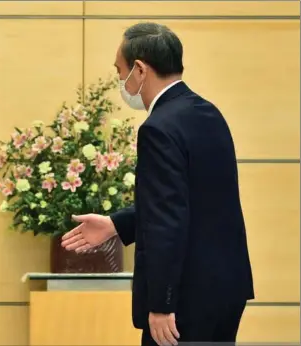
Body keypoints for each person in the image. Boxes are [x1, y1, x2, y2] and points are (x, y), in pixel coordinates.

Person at [61, 22, 254, 346]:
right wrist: (116, 224)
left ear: (139, 69)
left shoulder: (158, 128)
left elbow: (168, 220)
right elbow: (190, 199)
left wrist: (163, 304)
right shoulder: (207, 113)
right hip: (225, 289)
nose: (120, 81)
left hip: (185, 299)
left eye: (119, 71)